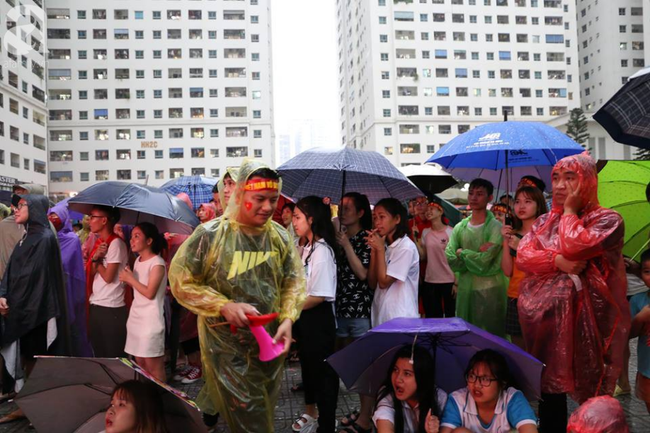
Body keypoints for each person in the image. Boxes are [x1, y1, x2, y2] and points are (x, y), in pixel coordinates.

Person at [169, 159, 306, 432]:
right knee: (251, 420)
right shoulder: (210, 235)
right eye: (259, 199)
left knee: (262, 410)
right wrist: (223, 305)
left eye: (273, 199)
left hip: (270, 347)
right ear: (240, 194)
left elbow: (293, 281)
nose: (268, 207)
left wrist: (289, 319)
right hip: (227, 349)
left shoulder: (278, 235)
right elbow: (182, 282)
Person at [516, 152, 630, 432]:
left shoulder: (608, 220)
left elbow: (576, 245)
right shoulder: (544, 222)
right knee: (550, 390)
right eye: (556, 178)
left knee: (593, 391)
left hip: (591, 326)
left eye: (571, 178)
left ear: (588, 182)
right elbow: (524, 255)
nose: (560, 185)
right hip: (547, 324)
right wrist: (557, 262)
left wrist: (568, 212)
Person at [0, 194, 71, 424]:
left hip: (36, 311)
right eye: (16, 205)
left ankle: (39, 409)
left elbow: (31, 280)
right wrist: (3, 295)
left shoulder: (42, 238)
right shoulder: (27, 237)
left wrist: (11, 304)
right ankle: (28, 406)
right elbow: (12, 272)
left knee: (37, 361)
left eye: (21, 205)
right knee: (27, 359)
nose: (16, 209)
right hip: (22, 309)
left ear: (35, 209)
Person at [291, 196, 339, 433]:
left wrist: (289, 309)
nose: (294, 222)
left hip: (318, 319)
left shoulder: (322, 251)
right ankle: (313, 416)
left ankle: (327, 424)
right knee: (309, 370)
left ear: (312, 219)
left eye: (297, 217)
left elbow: (319, 295)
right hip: (306, 318)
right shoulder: (307, 247)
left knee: (323, 377)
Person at [445, 179, 507, 337]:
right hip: (466, 290)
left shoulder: (496, 227)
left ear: (490, 198)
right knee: (467, 335)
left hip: (490, 291)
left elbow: (485, 262)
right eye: (471, 193)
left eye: (479, 194)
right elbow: (450, 256)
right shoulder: (460, 227)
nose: (473, 197)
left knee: (491, 335)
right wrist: (472, 257)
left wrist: (463, 253)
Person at [334, 193, 374, 433]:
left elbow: (362, 274)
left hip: (359, 308)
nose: (342, 211)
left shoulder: (365, 239)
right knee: (348, 363)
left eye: (348, 208)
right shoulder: (340, 236)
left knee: (363, 365)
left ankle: (366, 419)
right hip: (340, 307)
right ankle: (362, 412)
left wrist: (347, 245)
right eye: (341, 207)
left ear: (360, 213)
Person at [440, 349, 537, 433]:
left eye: (485, 379)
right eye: (472, 376)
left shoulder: (512, 399)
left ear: (502, 383)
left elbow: (529, 430)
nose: (477, 385)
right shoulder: (457, 400)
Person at [119, 223, 168, 382]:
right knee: (140, 364)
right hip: (136, 318)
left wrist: (131, 279)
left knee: (154, 367)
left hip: (151, 320)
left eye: (137, 236)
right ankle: (146, 401)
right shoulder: (138, 260)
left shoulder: (157, 263)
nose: (132, 240)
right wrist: (129, 278)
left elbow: (149, 292)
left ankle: (160, 402)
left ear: (149, 241)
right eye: (132, 236)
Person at [499, 186, 547, 349]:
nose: (521, 206)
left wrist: (522, 248)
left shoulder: (544, 235)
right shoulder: (513, 234)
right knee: (519, 350)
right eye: (517, 202)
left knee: (538, 348)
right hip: (515, 295)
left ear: (538, 205)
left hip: (538, 296)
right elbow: (507, 271)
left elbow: (545, 267)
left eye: (528, 202)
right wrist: (505, 241)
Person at [48, 202, 93, 357]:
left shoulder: (72, 240)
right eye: (50, 214)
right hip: (53, 290)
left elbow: (75, 268)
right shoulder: (47, 238)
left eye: (56, 215)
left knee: (72, 326)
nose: (52, 218)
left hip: (69, 288)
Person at [367, 198, 419, 327]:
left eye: (382, 217)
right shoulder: (385, 245)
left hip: (400, 315)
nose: (377, 222)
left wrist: (379, 249)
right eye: (375, 217)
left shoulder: (405, 247)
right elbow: (373, 283)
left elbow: (384, 282)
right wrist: (374, 251)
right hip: (382, 312)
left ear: (397, 219)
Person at [373, 345, 447, 433]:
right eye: (395, 370)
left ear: (422, 378)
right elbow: (384, 427)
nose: (397, 379)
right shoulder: (388, 395)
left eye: (407, 374)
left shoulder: (439, 398)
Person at [87, 205, 129, 358]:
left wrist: (96, 261)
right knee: (100, 354)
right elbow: (91, 273)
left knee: (113, 356)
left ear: (104, 220)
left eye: (93, 217)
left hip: (111, 307)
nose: (89, 221)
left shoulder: (116, 244)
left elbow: (108, 277)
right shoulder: (101, 243)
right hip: (97, 303)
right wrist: (95, 258)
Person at [416, 201, 456, 318]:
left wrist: (456, 282)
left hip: (448, 280)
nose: (428, 211)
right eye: (427, 209)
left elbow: (456, 258)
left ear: (440, 212)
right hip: (430, 280)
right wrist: (414, 238)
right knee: (433, 316)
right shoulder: (425, 232)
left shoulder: (451, 232)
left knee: (450, 315)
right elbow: (423, 256)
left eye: (432, 209)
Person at [628, 249, 650, 414]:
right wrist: (640, 318)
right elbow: (629, 334)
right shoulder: (638, 300)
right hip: (647, 371)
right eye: (647, 271)